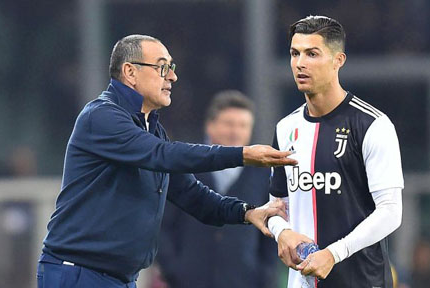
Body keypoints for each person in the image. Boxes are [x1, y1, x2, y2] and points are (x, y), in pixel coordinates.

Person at [37, 34, 297, 288]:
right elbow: (164, 154)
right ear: (130, 72)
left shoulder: (151, 129)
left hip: (119, 278)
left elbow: (193, 196)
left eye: (171, 68)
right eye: (162, 67)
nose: (173, 76)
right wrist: (241, 155)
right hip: (80, 273)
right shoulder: (102, 117)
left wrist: (247, 212)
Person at [267, 16, 404, 288]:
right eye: (295, 53)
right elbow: (277, 206)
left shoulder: (372, 125)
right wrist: (281, 232)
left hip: (363, 281)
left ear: (338, 60)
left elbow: (390, 211)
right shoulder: (285, 128)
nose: (300, 63)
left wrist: (333, 253)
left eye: (312, 54)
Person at [158, 91, 277, 288]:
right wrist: (172, 269)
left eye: (243, 125)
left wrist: (264, 274)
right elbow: (163, 225)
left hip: (244, 281)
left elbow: (272, 231)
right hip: (189, 281)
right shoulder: (186, 168)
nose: (235, 132)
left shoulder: (264, 175)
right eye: (229, 124)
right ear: (209, 125)